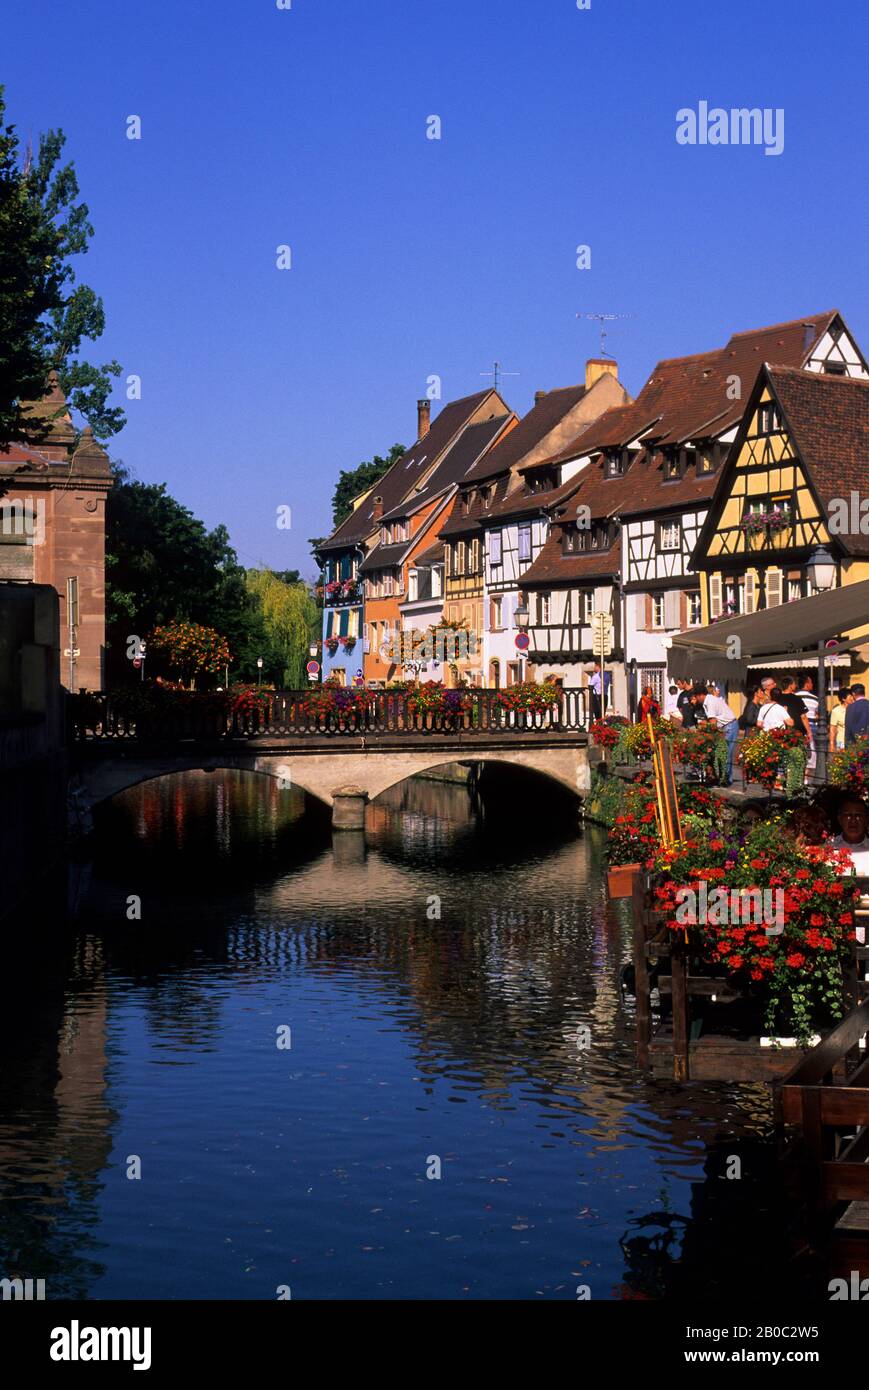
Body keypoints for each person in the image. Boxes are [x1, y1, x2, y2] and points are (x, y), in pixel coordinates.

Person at [695, 682, 739, 786]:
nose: (696, 700)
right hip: (725, 726)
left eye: (696, 697)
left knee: (725, 753)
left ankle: (726, 780)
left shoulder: (710, 702)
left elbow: (713, 723)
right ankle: (722, 777)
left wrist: (708, 735)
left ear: (700, 695)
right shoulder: (708, 701)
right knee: (721, 753)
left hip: (729, 726)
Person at [832, 795, 869, 876]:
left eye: (858, 816)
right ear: (840, 819)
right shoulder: (828, 848)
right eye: (847, 816)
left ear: (866, 820)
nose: (853, 821)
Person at [830, 688, 853, 752]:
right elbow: (833, 728)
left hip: (853, 741)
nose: (852, 698)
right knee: (841, 759)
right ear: (843, 699)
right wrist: (832, 745)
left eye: (852, 695)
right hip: (841, 741)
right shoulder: (836, 711)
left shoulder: (855, 709)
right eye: (850, 696)